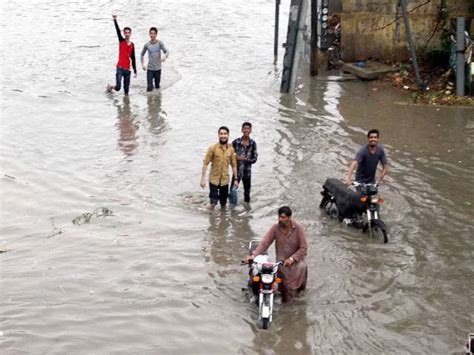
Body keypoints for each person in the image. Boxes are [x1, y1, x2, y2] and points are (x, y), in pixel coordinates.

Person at [245, 206, 308, 303]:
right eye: (279, 217)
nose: (280, 219)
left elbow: (303, 247)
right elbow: (265, 243)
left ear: (289, 218)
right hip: (282, 264)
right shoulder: (275, 228)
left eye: (283, 217)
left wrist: (292, 259)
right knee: (285, 293)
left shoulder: (298, 229)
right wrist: (254, 255)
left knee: (299, 292)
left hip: (296, 264)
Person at [200, 126, 239, 210]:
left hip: (225, 181)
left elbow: (234, 165)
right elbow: (205, 163)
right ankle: (207, 216)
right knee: (213, 203)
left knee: (223, 204)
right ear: (218, 135)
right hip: (214, 179)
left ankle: (222, 220)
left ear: (228, 135)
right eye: (221, 134)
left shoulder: (231, 149)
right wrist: (202, 179)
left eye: (225, 134)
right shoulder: (212, 148)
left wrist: (236, 179)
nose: (223, 136)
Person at [107, 15, 137, 96]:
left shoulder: (132, 45)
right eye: (125, 32)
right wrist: (115, 20)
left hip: (128, 70)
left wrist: (135, 70)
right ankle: (110, 87)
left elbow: (133, 58)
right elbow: (117, 31)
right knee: (118, 88)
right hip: (120, 68)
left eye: (128, 32)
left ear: (130, 33)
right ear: (124, 33)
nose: (127, 34)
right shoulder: (121, 41)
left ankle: (127, 105)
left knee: (126, 91)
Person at [232, 122, 258, 203]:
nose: (246, 130)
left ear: (250, 130)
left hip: (247, 173)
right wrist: (237, 158)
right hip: (237, 173)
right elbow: (229, 155)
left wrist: (246, 159)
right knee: (232, 191)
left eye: (248, 128)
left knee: (247, 195)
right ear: (242, 130)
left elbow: (255, 159)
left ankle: (247, 211)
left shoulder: (253, 143)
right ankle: (230, 210)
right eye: (244, 128)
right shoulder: (236, 142)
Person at [141, 27, 169, 92]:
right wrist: (142, 64)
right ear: (149, 34)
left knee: (157, 87)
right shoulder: (147, 45)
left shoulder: (160, 43)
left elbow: (167, 52)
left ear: (156, 34)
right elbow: (142, 54)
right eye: (151, 33)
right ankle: (149, 100)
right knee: (149, 88)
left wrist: (164, 57)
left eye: (154, 34)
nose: (152, 35)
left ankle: (157, 99)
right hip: (150, 69)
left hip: (158, 69)